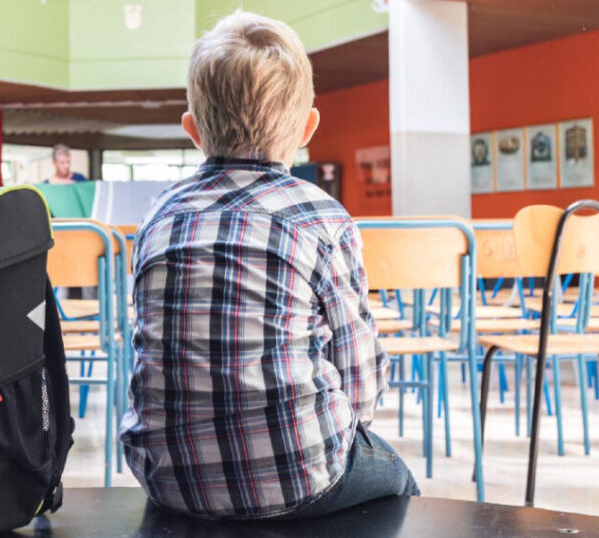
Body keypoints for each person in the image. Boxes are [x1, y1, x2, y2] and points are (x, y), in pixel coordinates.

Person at [120, 11, 417, 521]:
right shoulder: (320, 216)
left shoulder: (158, 217)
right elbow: (361, 380)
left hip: (168, 478)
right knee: (397, 478)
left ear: (193, 130)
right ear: (307, 127)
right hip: (297, 473)